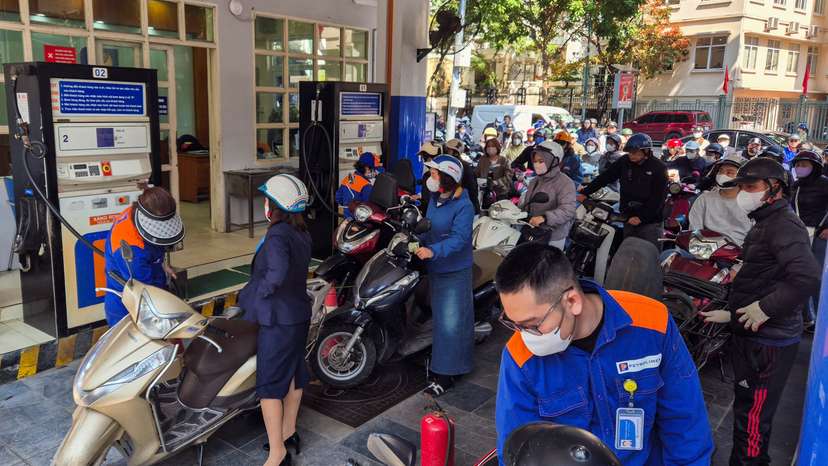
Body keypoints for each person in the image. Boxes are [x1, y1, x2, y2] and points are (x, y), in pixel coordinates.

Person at [494, 243, 714, 466]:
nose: (525, 336)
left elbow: (685, 422)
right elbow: (518, 448)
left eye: (533, 324)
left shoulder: (652, 323)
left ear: (572, 301)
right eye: (515, 324)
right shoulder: (519, 356)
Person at [700, 158, 820, 466]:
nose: (743, 193)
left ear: (775, 188)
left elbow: (806, 276)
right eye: (741, 187)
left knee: (753, 418)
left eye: (750, 187)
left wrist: (766, 309)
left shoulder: (782, 224)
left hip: (771, 342)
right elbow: (764, 278)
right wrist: (734, 313)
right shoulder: (766, 221)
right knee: (747, 411)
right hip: (756, 335)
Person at [238, 174, 312, 466]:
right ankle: (288, 432)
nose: (265, 205)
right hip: (298, 314)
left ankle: (277, 454)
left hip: (279, 319)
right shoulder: (302, 231)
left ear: (275, 205)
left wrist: (259, 295)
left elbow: (277, 273)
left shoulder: (279, 234)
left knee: (269, 384)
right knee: (294, 373)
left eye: (267, 200)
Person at [417, 154, 475, 396]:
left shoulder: (464, 205)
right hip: (436, 267)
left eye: (434, 173)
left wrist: (433, 251)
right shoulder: (435, 198)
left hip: (453, 270)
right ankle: (446, 362)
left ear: (448, 178)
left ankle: (447, 375)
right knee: (441, 320)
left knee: (451, 324)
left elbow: (459, 240)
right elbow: (429, 226)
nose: (430, 177)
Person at [104, 187, 183, 327]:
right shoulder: (131, 250)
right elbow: (145, 293)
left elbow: (157, 244)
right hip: (129, 302)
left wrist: (162, 264)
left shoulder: (135, 211)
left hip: (150, 281)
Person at [578, 133, 668, 250]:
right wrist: (585, 192)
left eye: (635, 153)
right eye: (630, 152)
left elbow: (659, 198)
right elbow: (606, 177)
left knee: (649, 255)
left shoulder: (659, 167)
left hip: (650, 222)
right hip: (627, 217)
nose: (631, 156)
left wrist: (642, 217)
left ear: (646, 151)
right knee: (627, 252)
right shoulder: (624, 161)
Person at [790, 150, 828, 329]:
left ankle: (821, 319)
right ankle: (807, 317)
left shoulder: (825, 184)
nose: (800, 168)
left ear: (815, 167)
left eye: (804, 165)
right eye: (797, 164)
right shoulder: (796, 186)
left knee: (818, 277)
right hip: (800, 234)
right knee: (799, 275)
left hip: (821, 236)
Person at [520, 141, 577, 250]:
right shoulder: (535, 181)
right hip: (533, 232)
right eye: (535, 161)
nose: (537, 164)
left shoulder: (565, 183)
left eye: (541, 161)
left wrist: (545, 218)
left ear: (553, 161)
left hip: (553, 237)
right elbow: (528, 204)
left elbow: (568, 210)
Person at [688, 154, 751, 246]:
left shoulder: (752, 205)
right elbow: (694, 229)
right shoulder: (704, 199)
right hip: (705, 250)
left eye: (729, 172)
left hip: (738, 255)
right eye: (721, 171)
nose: (722, 175)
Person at [442, 139, 481, 214]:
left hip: (465, 209)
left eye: (448, 150)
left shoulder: (463, 167)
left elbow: (472, 190)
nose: (446, 152)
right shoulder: (453, 165)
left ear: (455, 152)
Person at [335, 152, 376, 218]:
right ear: (367, 168)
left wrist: (347, 205)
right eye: (372, 169)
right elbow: (368, 207)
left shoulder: (348, 178)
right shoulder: (366, 186)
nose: (373, 172)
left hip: (347, 219)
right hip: (359, 221)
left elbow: (338, 198)